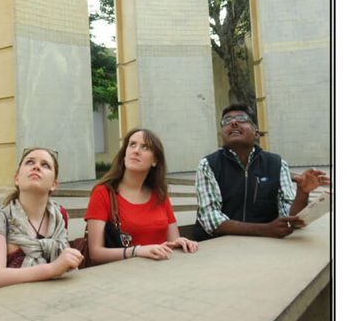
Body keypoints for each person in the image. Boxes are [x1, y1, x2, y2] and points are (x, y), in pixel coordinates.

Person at [194, 104, 328, 239]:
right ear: (222, 133)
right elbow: (211, 220)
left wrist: (302, 193)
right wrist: (266, 229)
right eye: (227, 121)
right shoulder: (208, 165)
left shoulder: (277, 164)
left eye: (241, 118)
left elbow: (289, 219)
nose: (233, 122)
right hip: (218, 247)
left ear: (256, 132)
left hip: (265, 248)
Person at [0, 147, 84, 290]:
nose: (36, 167)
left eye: (45, 165)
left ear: (54, 184)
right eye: (29, 162)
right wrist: (52, 269)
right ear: (17, 178)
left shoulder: (59, 216)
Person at [86, 129, 199, 264]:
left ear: (155, 161)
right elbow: (95, 252)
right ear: (124, 154)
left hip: (162, 272)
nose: (136, 150)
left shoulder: (160, 195)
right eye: (132, 144)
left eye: (145, 147)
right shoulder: (103, 193)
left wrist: (179, 242)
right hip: (121, 277)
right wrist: (137, 251)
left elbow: (172, 240)